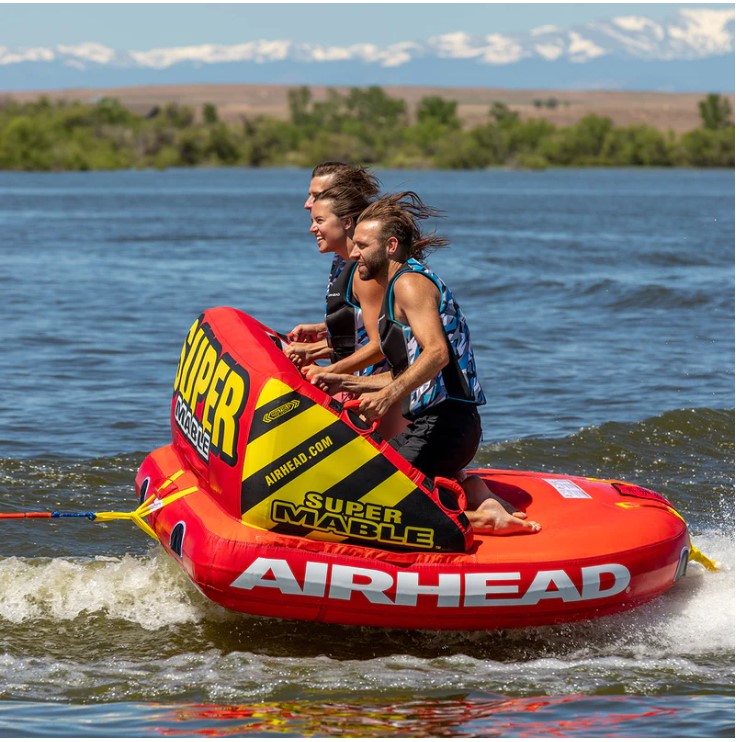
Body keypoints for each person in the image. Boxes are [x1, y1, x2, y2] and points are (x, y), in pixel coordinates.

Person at [309, 192, 541, 535]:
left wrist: (387, 398)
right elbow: (407, 373)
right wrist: (343, 381)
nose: (354, 253)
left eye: (362, 245)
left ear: (390, 246)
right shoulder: (395, 286)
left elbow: (436, 354)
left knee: (364, 501)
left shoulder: (410, 285)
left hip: (447, 427)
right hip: (434, 426)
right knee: (359, 479)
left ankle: (478, 520)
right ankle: (475, 491)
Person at [284, 184, 406, 438]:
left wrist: (331, 372)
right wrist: (318, 344)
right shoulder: (346, 266)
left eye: (319, 219)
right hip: (365, 385)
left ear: (347, 221)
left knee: (406, 470)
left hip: (386, 390)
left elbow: (380, 345)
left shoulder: (365, 274)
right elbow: (357, 328)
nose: (312, 228)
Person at [289, 163, 381, 347]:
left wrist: (314, 354)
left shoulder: (369, 261)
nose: (307, 204)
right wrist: (324, 330)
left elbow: (382, 341)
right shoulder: (341, 257)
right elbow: (364, 322)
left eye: (317, 196)